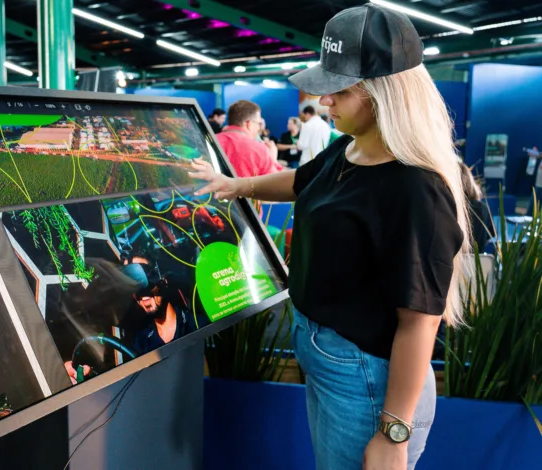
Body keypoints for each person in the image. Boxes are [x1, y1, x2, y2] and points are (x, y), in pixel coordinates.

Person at [189, 5, 470, 470]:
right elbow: (303, 182)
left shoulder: (414, 187)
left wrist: (393, 432)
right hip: (327, 359)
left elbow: (421, 320)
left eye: (338, 90)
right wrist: (237, 185)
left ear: (382, 93)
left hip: (368, 378)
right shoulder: (349, 149)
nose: (324, 102)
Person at [215, 100, 282, 178]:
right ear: (248, 124)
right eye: (258, 123)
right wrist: (273, 160)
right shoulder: (259, 149)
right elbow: (276, 181)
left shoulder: (212, 141)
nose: (259, 128)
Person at [460, 162, 493, 253]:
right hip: (479, 260)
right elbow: (490, 235)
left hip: (457, 260)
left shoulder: (450, 208)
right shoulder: (483, 208)